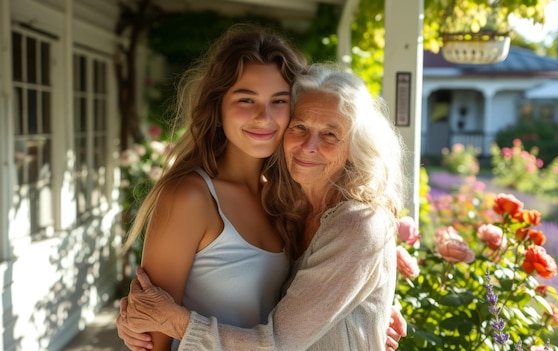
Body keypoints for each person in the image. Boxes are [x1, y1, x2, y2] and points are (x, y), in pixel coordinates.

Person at [118, 63, 408, 350]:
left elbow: (279, 343)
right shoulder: (287, 206)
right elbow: (149, 325)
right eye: (300, 126)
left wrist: (174, 321)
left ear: (356, 147)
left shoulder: (355, 222)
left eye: (331, 134)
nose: (309, 145)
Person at [120, 24, 307, 351]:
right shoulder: (190, 196)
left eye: (278, 101)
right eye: (246, 99)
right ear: (218, 107)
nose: (264, 117)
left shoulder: (283, 199)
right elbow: (152, 338)